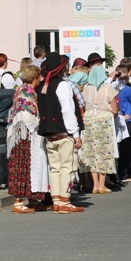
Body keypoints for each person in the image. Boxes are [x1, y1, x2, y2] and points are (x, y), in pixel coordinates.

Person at [36, 52, 84, 213]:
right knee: (67, 167)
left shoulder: (41, 87)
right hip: (64, 133)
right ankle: (64, 200)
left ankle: (57, 199)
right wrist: (75, 134)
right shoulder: (63, 85)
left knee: (54, 168)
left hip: (49, 135)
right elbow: (67, 111)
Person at [7, 65, 50, 213]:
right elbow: (24, 115)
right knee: (22, 166)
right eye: (39, 76)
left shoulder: (24, 90)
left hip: (26, 135)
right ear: (34, 77)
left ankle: (32, 198)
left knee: (31, 167)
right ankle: (18, 202)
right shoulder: (26, 93)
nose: (40, 79)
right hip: (24, 136)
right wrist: (39, 123)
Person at [79, 52, 118, 194]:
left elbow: (82, 106)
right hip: (104, 120)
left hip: (88, 121)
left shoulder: (85, 89)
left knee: (92, 153)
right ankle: (102, 184)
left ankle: (94, 184)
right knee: (104, 152)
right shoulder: (108, 88)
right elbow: (115, 109)